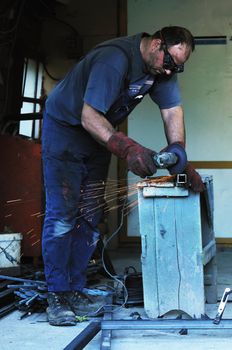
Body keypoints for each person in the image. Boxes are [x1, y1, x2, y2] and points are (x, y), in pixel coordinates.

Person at [41, 26, 204, 326]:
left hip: (99, 136)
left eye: (178, 66)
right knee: (63, 214)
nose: (171, 72)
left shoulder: (160, 69)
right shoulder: (113, 59)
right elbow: (89, 116)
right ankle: (58, 296)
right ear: (157, 44)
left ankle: (75, 290)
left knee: (89, 214)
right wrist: (127, 148)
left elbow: (172, 111)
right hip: (66, 131)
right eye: (170, 63)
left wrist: (179, 153)